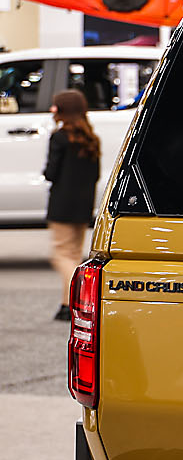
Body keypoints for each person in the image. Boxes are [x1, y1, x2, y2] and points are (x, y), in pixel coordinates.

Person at [44, 89, 100, 322]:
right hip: (83, 204)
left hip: (62, 204)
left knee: (62, 255)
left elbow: (51, 172)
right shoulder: (91, 139)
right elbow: (95, 175)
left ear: (62, 110)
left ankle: (71, 303)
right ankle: (67, 303)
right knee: (74, 254)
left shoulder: (59, 138)